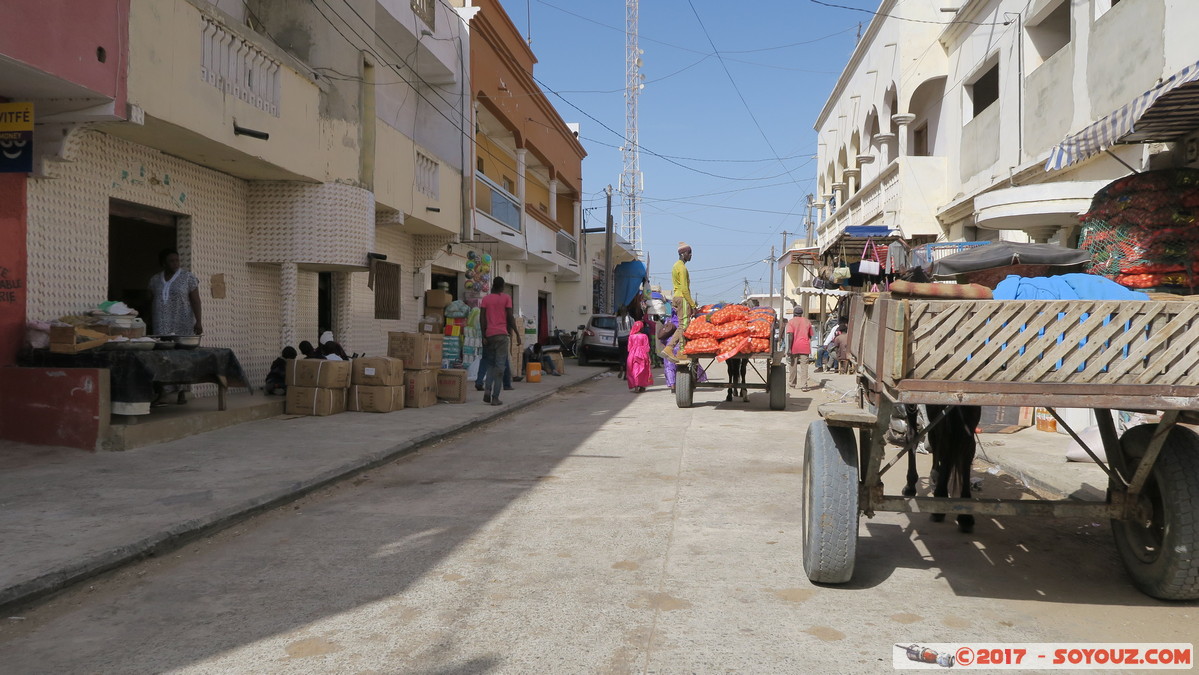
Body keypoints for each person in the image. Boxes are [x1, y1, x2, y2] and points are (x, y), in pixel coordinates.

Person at [149, 248, 202, 405]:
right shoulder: (155, 280)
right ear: (163, 263)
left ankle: (182, 392)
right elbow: (150, 300)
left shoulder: (188, 278)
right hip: (161, 325)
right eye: (171, 261)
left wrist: (198, 321)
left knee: (181, 357)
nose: (175, 263)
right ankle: (163, 392)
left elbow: (196, 300)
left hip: (182, 324)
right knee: (163, 358)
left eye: (177, 260)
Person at [479, 277, 519, 406]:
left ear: (492, 286)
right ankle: (495, 397)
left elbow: (482, 319)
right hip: (501, 336)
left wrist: (483, 335)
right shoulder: (506, 298)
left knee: (490, 365)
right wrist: (517, 333)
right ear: (502, 286)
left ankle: (487, 391)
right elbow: (510, 317)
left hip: (489, 335)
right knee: (500, 367)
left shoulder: (485, 299)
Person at [786, 306, 815, 390]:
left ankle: (792, 384)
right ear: (802, 313)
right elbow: (810, 335)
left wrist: (789, 348)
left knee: (792, 366)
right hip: (805, 346)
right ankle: (804, 385)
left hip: (794, 346)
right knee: (804, 366)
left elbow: (790, 335)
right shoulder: (807, 321)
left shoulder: (791, 322)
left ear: (794, 313)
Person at [626, 320, 652, 393]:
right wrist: (649, 357)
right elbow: (647, 347)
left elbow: (629, 348)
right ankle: (641, 386)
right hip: (642, 355)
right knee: (642, 371)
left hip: (632, 355)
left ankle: (635, 387)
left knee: (633, 370)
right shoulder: (644, 336)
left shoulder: (631, 336)